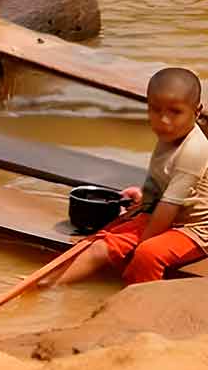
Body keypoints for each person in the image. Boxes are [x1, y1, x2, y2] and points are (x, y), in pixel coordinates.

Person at [52, 68, 208, 285]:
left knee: (147, 253)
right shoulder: (169, 134)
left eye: (175, 112)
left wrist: (139, 241)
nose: (164, 120)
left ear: (197, 111)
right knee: (101, 243)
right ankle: (51, 285)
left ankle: (137, 305)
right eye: (155, 110)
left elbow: (169, 208)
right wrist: (143, 199)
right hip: (163, 214)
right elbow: (158, 180)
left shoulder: (195, 150)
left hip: (195, 229)